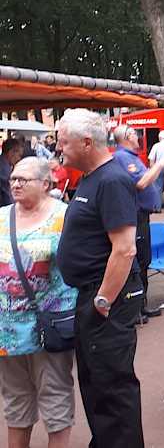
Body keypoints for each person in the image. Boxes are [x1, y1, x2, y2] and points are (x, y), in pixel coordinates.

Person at [54, 108, 144, 448]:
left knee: (112, 387)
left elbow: (124, 249)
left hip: (107, 299)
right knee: (96, 385)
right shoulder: (92, 178)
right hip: (93, 296)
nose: (59, 148)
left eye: (64, 142)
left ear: (87, 142)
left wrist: (102, 301)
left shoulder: (112, 180)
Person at [0, 157, 76, 448]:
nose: (16, 184)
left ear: (46, 184)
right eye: (13, 179)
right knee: (15, 402)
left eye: (24, 179)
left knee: (55, 399)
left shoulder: (65, 217)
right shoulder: (2, 216)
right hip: (8, 331)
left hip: (49, 328)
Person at [112, 124, 164, 320]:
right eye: (134, 134)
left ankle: (141, 306)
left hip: (142, 216)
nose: (138, 137)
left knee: (144, 260)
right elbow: (140, 183)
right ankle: (136, 309)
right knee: (139, 262)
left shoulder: (130, 157)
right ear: (126, 137)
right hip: (136, 216)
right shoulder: (123, 157)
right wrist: (160, 164)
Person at [1, 138, 24, 207]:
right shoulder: (4, 170)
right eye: (19, 155)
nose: (19, 159)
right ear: (11, 153)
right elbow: (9, 198)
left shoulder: (5, 166)